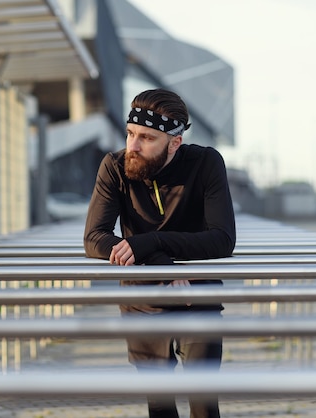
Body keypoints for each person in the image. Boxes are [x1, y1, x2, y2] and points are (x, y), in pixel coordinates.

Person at [83, 88, 236, 418]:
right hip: (143, 300)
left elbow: (222, 239)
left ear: (174, 143)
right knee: (161, 407)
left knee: (204, 405)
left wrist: (150, 242)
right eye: (130, 134)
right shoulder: (115, 167)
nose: (132, 147)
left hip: (198, 296)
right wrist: (159, 262)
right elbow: (94, 238)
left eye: (147, 138)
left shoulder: (206, 163)